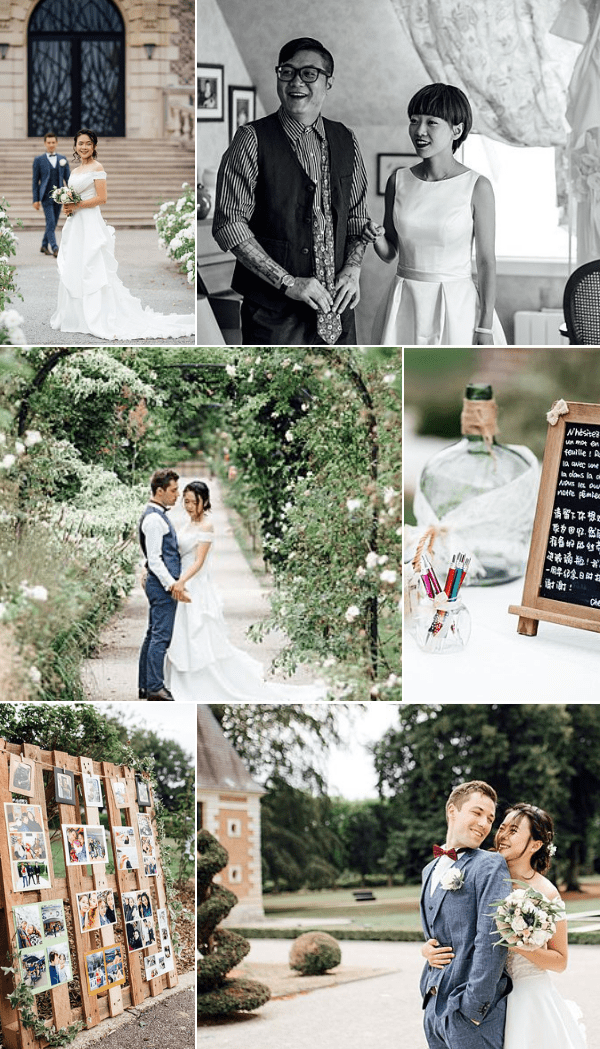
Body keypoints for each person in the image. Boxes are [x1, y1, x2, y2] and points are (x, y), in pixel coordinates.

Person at [213, 37, 369, 346]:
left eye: (309, 73)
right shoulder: (251, 140)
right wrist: (288, 283)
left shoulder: (346, 139)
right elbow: (229, 225)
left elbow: (356, 219)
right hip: (273, 317)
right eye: (287, 71)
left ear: (329, 82)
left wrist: (352, 269)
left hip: (338, 313)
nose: (296, 81)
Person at [365, 83, 506, 346]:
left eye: (432, 123)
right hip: (404, 301)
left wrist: (484, 326)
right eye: (414, 121)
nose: (419, 131)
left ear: (457, 129)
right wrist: (374, 235)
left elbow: (486, 262)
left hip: (457, 305)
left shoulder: (478, 186)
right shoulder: (398, 180)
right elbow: (390, 254)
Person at [164, 479, 326, 700]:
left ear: (204, 501)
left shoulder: (206, 526)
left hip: (195, 584)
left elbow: (199, 561)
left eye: (193, 502)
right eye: (186, 501)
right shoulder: (186, 525)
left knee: (198, 633)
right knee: (181, 632)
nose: (189, 506)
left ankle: (203, 683)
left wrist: (182, 581)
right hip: (181, 582)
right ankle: (180, 680)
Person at [50, 129, 195, 341]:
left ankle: (98, 315)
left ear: (94, 146)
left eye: (88, 144)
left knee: (92, 266)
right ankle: (75, 316)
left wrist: (76, 204)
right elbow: (72, 198)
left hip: (90, 221)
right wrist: (68, 207)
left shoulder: (97, 168)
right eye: (80, 143)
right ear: (74, 146)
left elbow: (102, 198)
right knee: (75, 263)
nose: (84, 147)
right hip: (75, 224)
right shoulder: (74, 171)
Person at [419, 780, 511, 1049]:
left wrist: (473, 1008)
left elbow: (492, 940)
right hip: (433, 1006)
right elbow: (438, 928)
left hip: (470, 1014)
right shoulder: (429, 870)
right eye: (477, 812)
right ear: (452, 812)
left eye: (490, 818)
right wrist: (425, 949)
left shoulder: (490, 865)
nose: (484, 824)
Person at [138, 468, 191, 701]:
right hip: (161, 586)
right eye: (173, 490)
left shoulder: (157, 515)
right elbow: (155, 559)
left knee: (152, 634)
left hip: (158, 583)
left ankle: (145, 684)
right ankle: (155, 688)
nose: (177, 495)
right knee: (161, 635)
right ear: (159, 491)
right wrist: (173, 585)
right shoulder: (153, 519)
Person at [32, 132, 70, 258]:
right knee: (51, 221)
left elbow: (68, 179)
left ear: (57, 143)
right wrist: (35, 199)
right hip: (45, 197)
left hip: (59, 197)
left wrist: (70, 196)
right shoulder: (39, 160)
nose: (51, 145)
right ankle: (55, 247)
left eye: (53, 142)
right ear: (45, 144)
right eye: (49, 142)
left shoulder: (62, 159)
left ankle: (44, 245)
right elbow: (35, 181)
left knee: (52, 223)